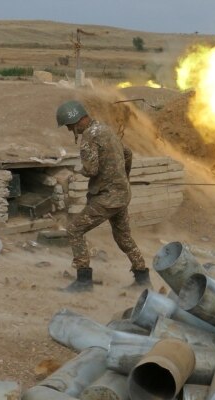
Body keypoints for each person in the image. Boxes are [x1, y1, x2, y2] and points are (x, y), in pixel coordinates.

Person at [55, 100, 151, 292]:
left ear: (76, 121)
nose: (69, 130)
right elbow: (127, 153)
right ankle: (143, 279)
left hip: (107, 198)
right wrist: (124, 176)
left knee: (74, 230)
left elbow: (91, 170)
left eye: (69, 126)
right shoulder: (105, 129)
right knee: (124, 237)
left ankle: (83, 281)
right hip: (122, 194)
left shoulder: (89, 138)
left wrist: (79, 170)